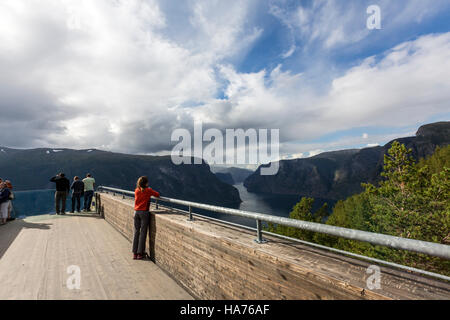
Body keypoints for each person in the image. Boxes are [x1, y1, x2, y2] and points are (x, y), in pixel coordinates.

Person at [133, 176, 160, 260]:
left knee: (136, 232)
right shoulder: (148, 190)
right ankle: (140, 253)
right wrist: (150, 189)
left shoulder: (136, 190)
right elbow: (157, 195)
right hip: (144, 212)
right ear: (146, 183)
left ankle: (134, 253)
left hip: (136, 212)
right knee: (143, 233)